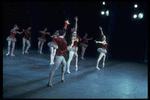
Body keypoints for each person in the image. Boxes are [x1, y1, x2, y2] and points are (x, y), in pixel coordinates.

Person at [47, 19, 70, 87]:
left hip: (62, 55)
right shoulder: (59, 39)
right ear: (63, 33)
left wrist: (66, 23)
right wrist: (54, 37)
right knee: (54, 69)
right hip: (59, 55)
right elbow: (62, 46)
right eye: (65, 32)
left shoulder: (62, 37)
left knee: (64, 64)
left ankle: (62, 77)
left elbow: (64, 29)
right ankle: (49, 82)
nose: (66, 32)